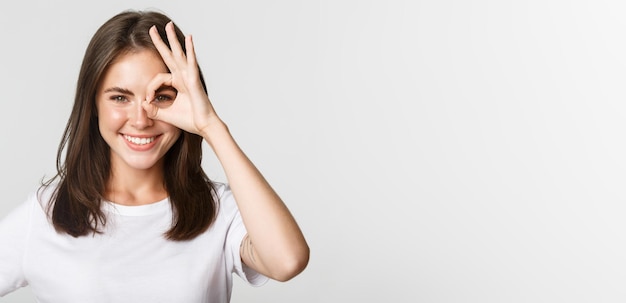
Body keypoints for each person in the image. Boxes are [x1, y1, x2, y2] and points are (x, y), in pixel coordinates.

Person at [0, 9, 309, 302]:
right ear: (93, 104)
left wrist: (211, 126)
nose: (141, 119)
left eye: (161, 97)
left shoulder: (217, 211)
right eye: (120, 97)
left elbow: (287, 261)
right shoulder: (44, 214)